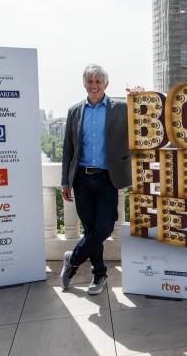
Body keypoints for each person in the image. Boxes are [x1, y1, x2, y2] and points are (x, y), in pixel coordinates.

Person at [60, 63, 142, 295]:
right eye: (90, 81)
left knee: (104, 227)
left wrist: (139, 97)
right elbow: (68, 149)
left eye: (98, 81)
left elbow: (144, 117)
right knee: (90, 229)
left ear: (106, 83)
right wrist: (65, 182)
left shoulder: (121, 108)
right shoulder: (75, 110)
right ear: (84, 84)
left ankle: (72, 261)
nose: (94, 85)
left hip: (108, 179)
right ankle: (99, 275)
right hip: (82, 179)